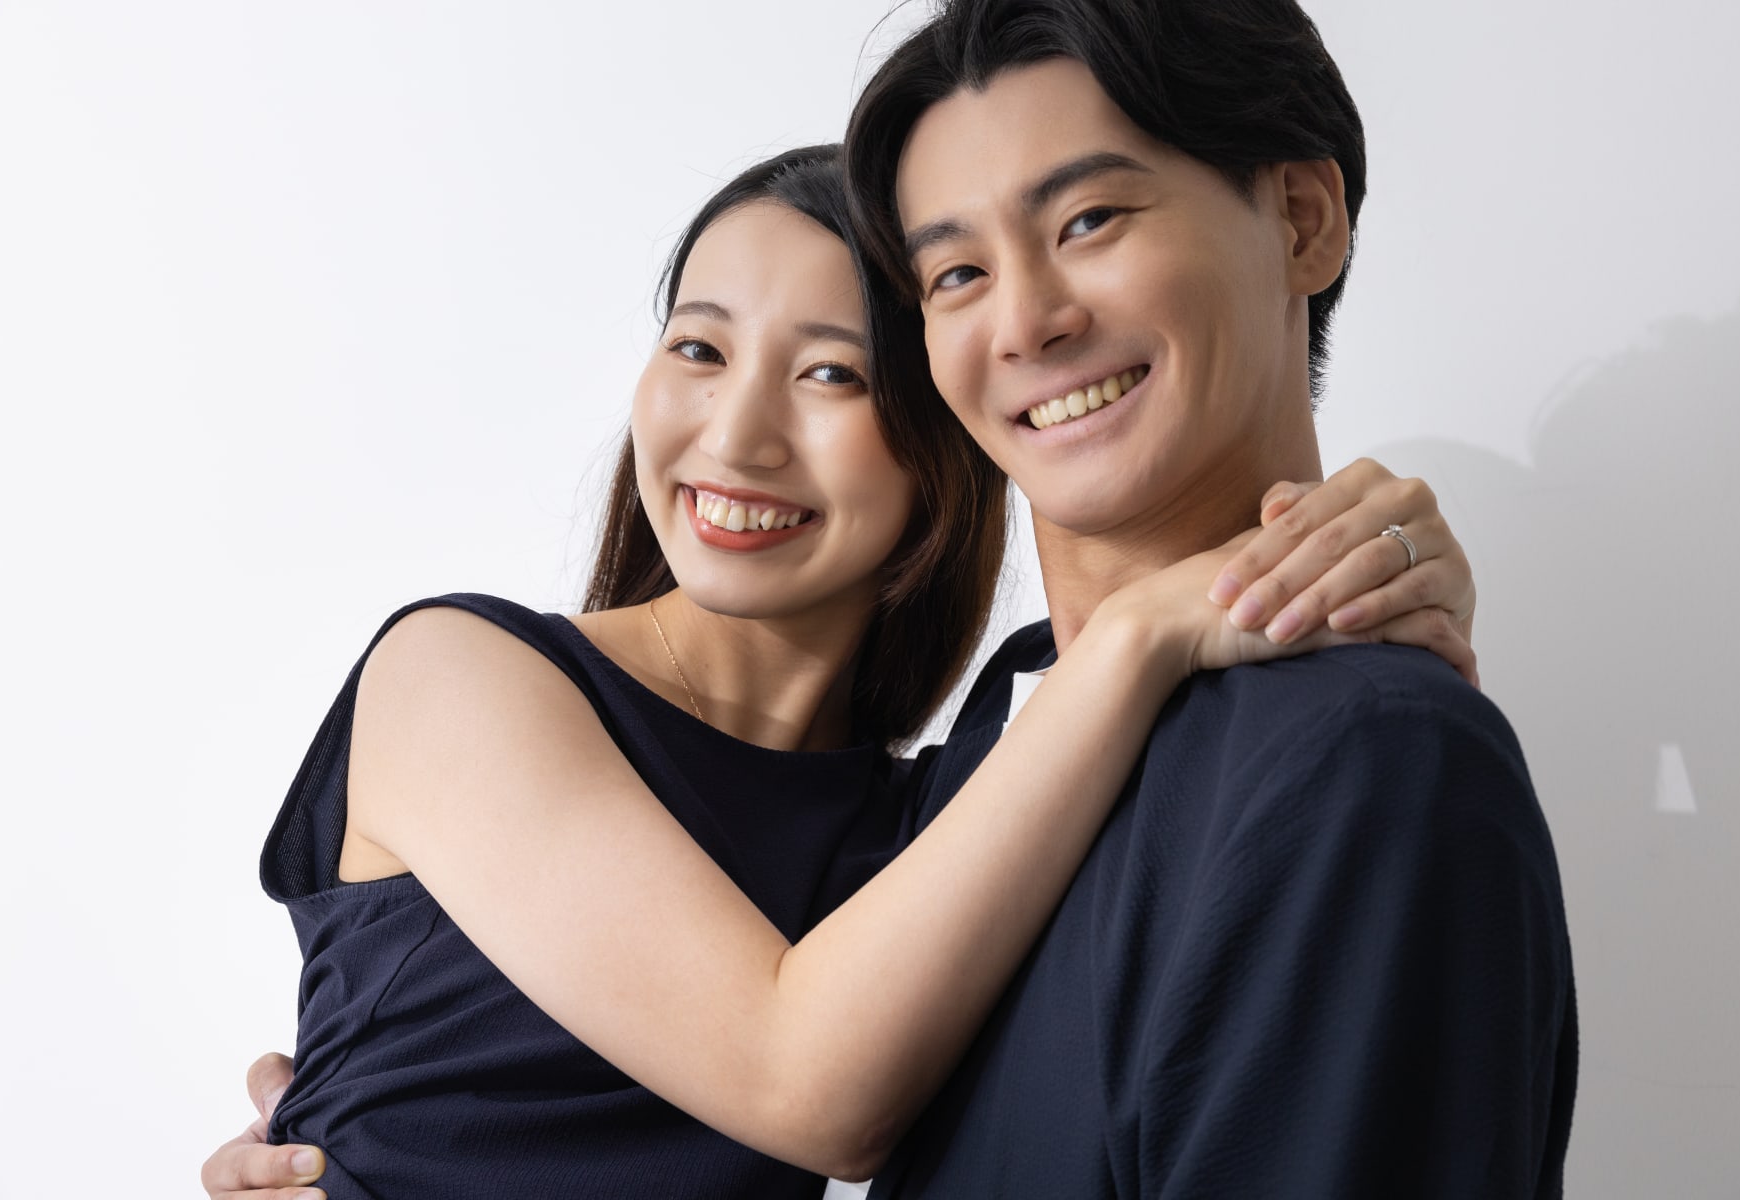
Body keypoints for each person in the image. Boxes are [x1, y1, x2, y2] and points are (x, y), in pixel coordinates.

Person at [200, 142, 1479, 1197]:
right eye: (699, 350)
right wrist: (1147, 630)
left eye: (831, 374)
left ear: (946, 436)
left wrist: (1377, 580)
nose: (738, 436)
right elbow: (806, 1087)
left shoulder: (947, 815)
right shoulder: (456, 677)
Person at [831, 0, 1577, 1195]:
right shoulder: (994, 734)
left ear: (1302, 220)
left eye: (1089, 219)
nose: (1025, 323)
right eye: (957, 273)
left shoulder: (1370, 759)